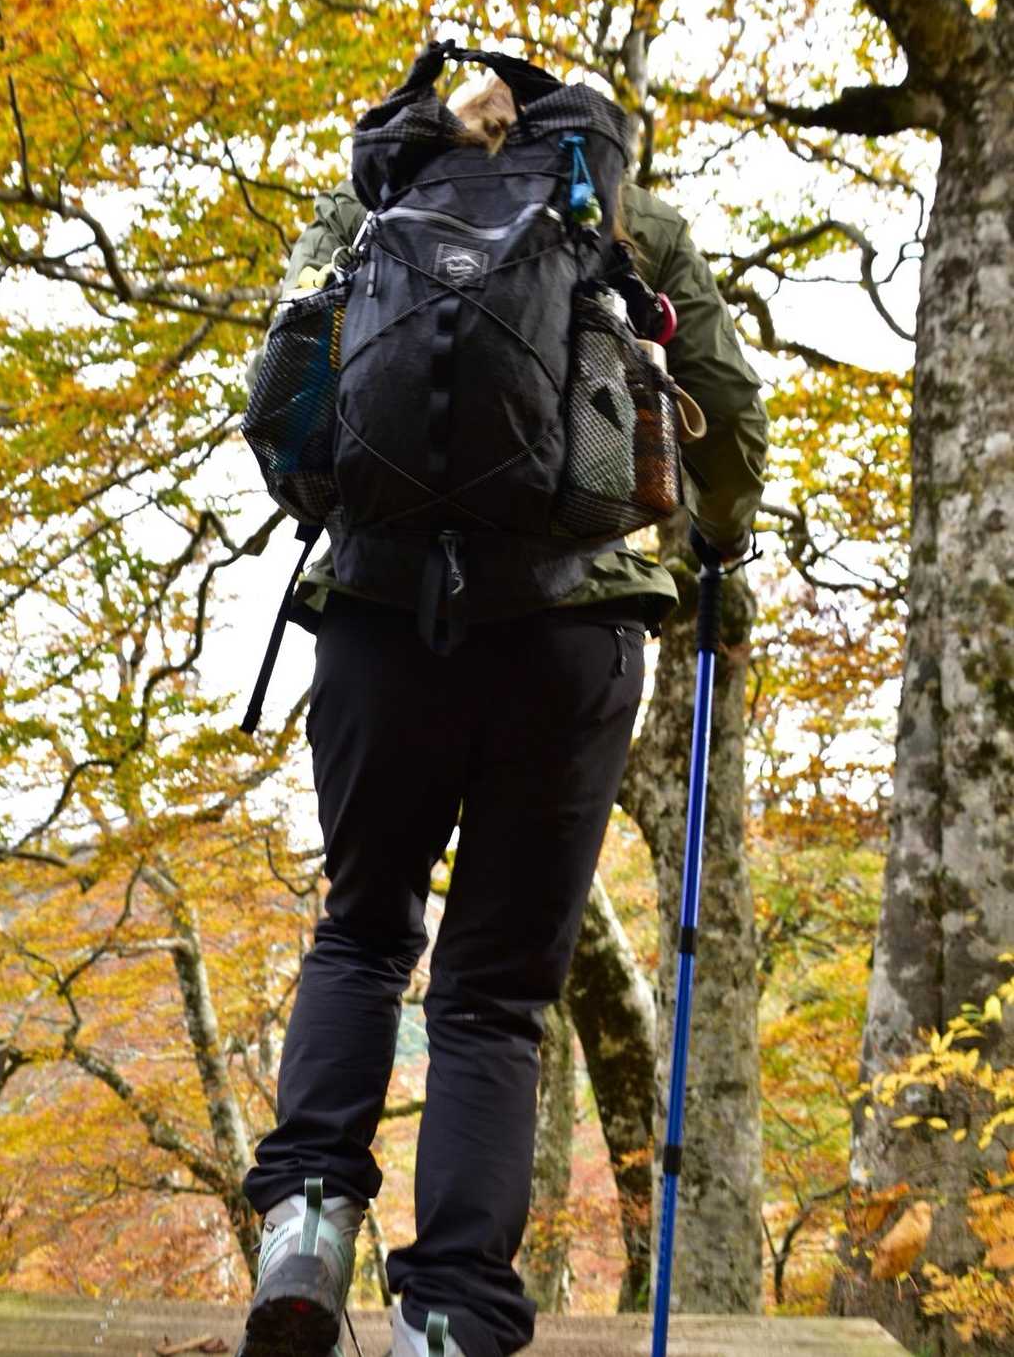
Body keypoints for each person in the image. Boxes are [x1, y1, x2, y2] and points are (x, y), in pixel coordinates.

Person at [236, 71, 767, 1357]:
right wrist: (721, 547)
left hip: (379, 620)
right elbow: (730, 419)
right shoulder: (632, 221)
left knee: (364, 933)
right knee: (493, 992)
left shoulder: (370, 205)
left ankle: (305, 1229)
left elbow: (284, 395)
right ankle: (451, 1314)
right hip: (570, 642)